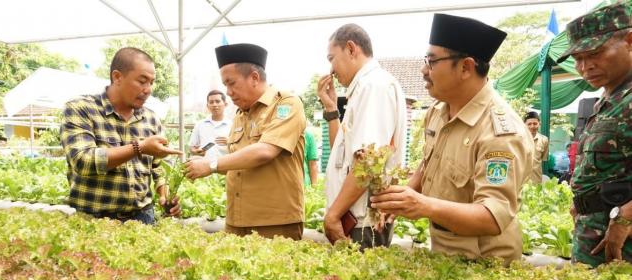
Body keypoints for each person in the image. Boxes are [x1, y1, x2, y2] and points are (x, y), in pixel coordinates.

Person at [370, 14, 533, 265]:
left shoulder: (501, 133)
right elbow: (430, 165)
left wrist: (423, 206)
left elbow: (491, 217)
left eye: (432, 61)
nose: (424, 70)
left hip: (485, 264)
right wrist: (404, 196)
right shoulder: (437, 113)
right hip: (445, 256)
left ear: (466, 67)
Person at [184, 43, 306, 240]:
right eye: (225, 85)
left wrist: (212, 165)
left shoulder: (286, 104)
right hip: (237, 219)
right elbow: (237, 163)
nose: (228, 91)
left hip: (273, 222)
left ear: (254, 78)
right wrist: (199, 165)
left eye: (231, 83)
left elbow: (265, 151)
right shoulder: (241, 114)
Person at [60, 47, 182, 225]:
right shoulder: (81, 109)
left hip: (143, 218)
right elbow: (82, 160)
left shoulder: (151, 119)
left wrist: (165, 195)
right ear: (117, 77)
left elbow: (158, 168)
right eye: (142, 81)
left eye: (151, 82)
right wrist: (139, 148)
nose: (148, 89)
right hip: (94, 219)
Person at [317, 23, 407, 248]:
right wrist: (331, 109)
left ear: (350, 48)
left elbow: (367, 161)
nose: (331, 69)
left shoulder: (373, 87)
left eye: (331, 58)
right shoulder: (363, 88)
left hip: (362, 222)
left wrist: (333, 215)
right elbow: (345, 156)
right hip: (356, 220)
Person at [556, 2, 632, 266]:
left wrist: (625, 219)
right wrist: (582, 204)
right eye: (578, 59)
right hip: (594, 233)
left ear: (630, 41)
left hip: (623, 243)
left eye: (595, 53)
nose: (585, 66)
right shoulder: (607, 99)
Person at [189, 90, 232, 162]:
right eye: (211, 102)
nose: (214, 105)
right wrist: (195, 152)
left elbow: (240, 149)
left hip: (225, 168)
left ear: (225, 104)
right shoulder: (200, 125)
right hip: (204, 168)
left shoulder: (232, 125)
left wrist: (230, 142)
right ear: (207, 106)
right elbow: (192, 147)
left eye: (218, 101)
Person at [524, 111, 550, 183]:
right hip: (521, 180)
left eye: (535, 123)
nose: (532, 126)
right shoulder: (519, 139)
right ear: (524, 125)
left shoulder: (544, 140)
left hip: (536, 180)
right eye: (529, 124)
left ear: (539, 124)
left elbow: (543, 158)